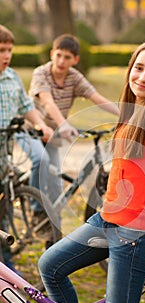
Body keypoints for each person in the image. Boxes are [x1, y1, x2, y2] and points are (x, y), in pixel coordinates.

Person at [21, 38, 145, 303]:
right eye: (139, 68)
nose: (143, 77)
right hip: (108, 219)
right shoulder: (135, 109)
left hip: (137, 233)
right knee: (50, 266)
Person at [16, 33, 119, 222]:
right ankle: (37, 211)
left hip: (53, 135)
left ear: (75, 60)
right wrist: (64, 125)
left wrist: (124, 115)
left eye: (67, 57)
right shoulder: (42, 73)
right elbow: (47, 103)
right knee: (42, 160)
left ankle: (52, 226)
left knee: (56, 184)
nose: (62, 61)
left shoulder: (74, 77)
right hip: (31, 129)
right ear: (52, 54)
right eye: (59, 55)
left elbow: (97, 99)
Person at [0, 25, 53, 270]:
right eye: (2, 50)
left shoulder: (12, 77)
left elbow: (25, 106)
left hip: (7, 149)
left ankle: (5, 256)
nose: (6, 56)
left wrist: (40, 124)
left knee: (6, 202)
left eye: (9, 50)